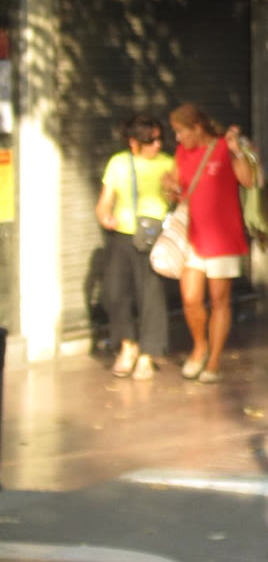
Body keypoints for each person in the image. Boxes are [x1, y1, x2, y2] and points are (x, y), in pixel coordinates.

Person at [167, 104, 255, 383]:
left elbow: (248, 180)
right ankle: (200, 347)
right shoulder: (181, 152)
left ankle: (214, 361)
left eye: (180, 131)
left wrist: (237, 151)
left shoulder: (224, 148)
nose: (178, 138)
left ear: (197, 128)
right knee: (190, 299)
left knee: (219, 300)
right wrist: (169, 187)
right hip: (191, 236)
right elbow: (177, 187)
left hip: (223, 237)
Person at [95, 113, 176, 379]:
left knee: (151, 296)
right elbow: (105, 201)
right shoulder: (118, 163)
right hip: (122, 236)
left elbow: (179, 198)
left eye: (159, 139)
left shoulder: (168, 163)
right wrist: (105, 215)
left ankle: (148, 354)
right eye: (150, 141)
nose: (157, 145)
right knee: (114, 292)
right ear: (133, 142)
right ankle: (127, 346)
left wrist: (172, 188)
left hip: (154, 237)